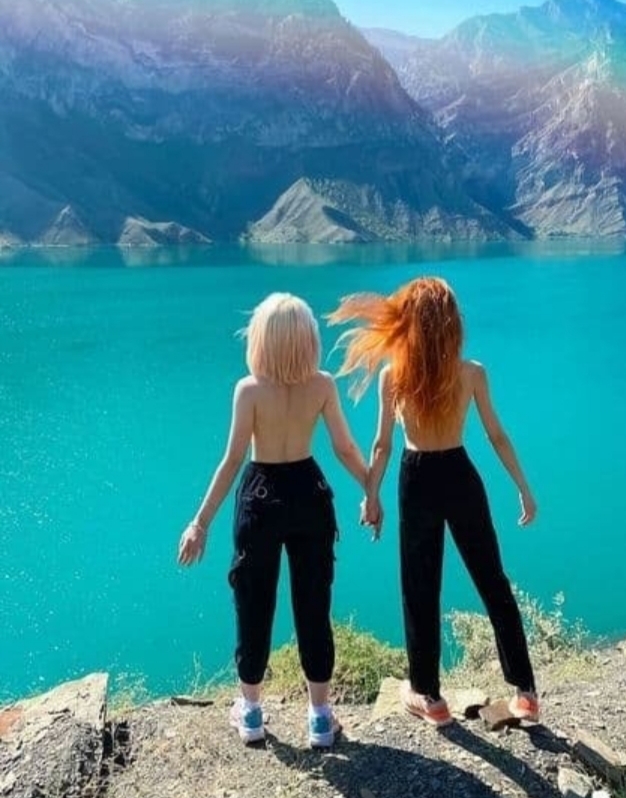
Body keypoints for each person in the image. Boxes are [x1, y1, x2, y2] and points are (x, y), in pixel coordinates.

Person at [328, 276, 539, 727]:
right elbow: (496, 435)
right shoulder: (472, 372)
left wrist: (371, 496)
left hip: (417, 478)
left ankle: (431, 699)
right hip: (461, 475)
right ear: (450, 323)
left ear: (409, 324)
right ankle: (525, 693)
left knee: (420, 588)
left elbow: (382, 446)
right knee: (492, 580)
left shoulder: (393, 376)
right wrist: (523, 486)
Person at [178, 293, 368, 748]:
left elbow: (232, 460)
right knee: (314, 604)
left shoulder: (248, 390)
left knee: (253, 602)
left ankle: (251, 712)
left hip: (260, 498)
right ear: (307, 340)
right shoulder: (322, 385)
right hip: (309, 494)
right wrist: (371, 489)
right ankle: (319, 717)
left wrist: (199, 523)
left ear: (261, 340)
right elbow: (344, 448)